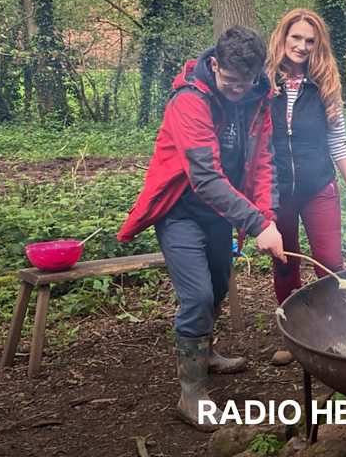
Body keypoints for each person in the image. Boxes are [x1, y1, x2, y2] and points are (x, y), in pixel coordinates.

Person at [118, 26, 286, 431]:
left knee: (217, 283)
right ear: (215, 65)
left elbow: (262, 161)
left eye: (244, 83)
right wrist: (256, 222)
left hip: (218, 213)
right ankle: (190, 393)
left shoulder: (258, 98)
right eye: (230, 81)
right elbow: (205, 178)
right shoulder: (189, 100)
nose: (236, 90)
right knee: (196, 296)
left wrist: (268, 214)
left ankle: (205, 353)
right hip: (179, 209)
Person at [265, 8, 346, 366]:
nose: (302, 46)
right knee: (284, 263)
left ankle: (338, 330)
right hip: (277, 193)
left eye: (310, 40)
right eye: (296, 38)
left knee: (330, 261)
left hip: (319, 185)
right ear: (283, 37)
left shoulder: (325, 84)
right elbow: (253, 144)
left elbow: (338, 140)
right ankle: (294, 337)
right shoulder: (264, 83)